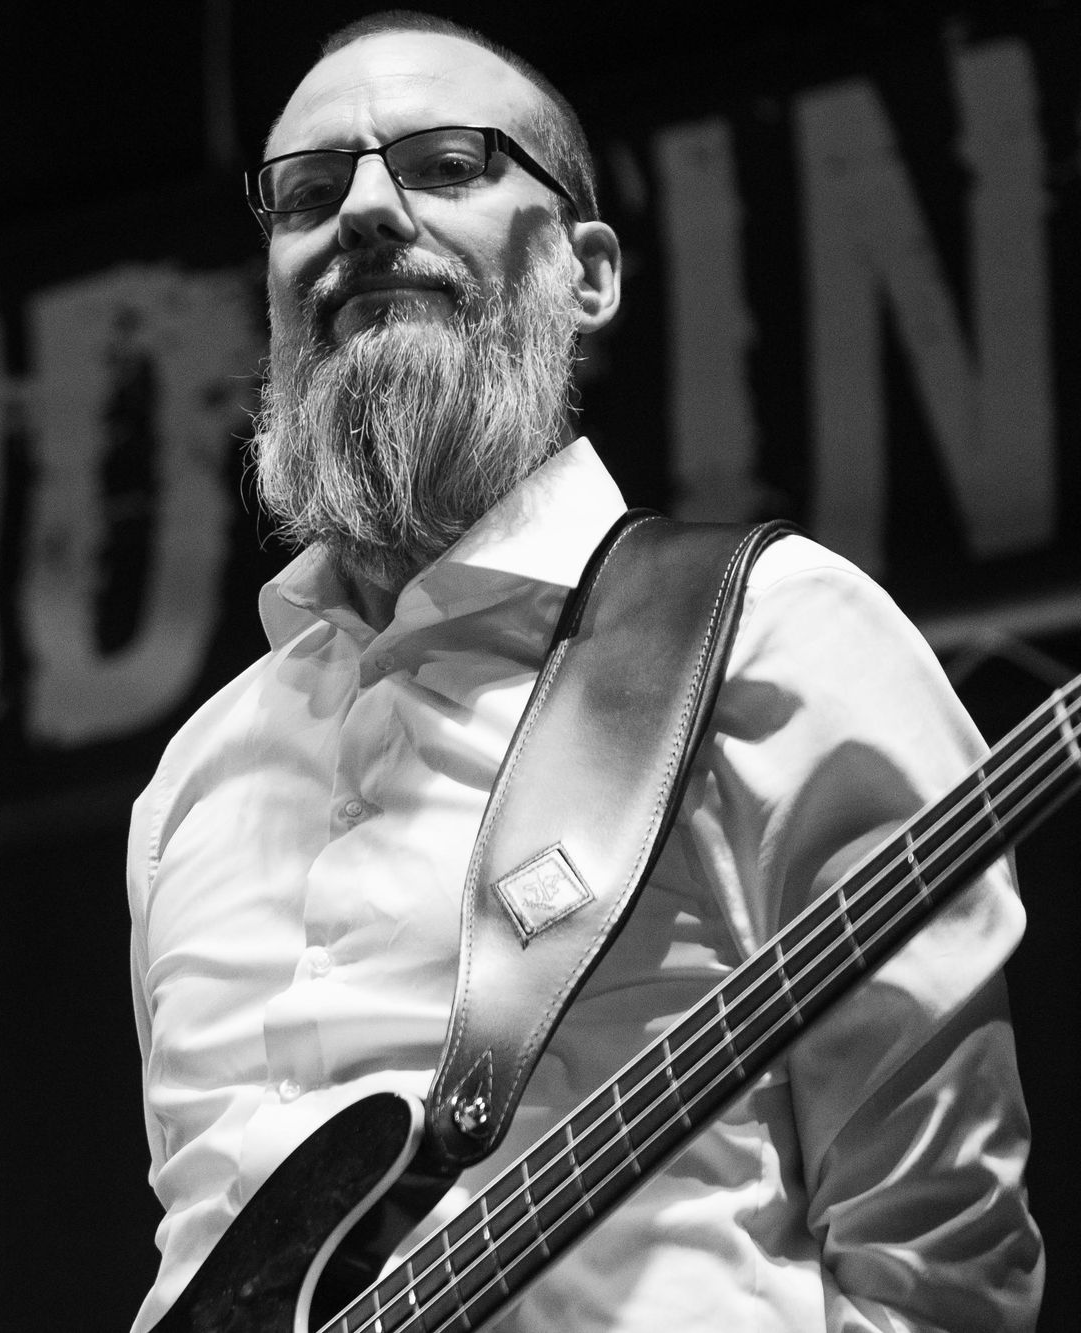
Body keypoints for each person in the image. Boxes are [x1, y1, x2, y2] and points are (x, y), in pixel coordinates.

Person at [125, 11, 1041, 1332]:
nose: (365, 211)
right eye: (310, 193)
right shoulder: (193, 782)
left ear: (589, 274)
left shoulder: (773, 636)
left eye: (447, 165)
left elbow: (940, 1266)